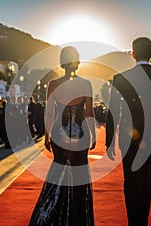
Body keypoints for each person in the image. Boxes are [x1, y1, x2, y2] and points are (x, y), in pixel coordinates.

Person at [105, 37, 151, 226]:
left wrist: (109, 140)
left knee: (130, 182)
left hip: (129, 137)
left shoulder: (121, 78)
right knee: (147, 182)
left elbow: (113, 111)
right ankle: (142, 221)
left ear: (133, 54)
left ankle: (133, 222)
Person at [29, 46, 96, 225]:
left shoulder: (53, 84)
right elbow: (89, 113)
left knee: (58, 171)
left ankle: (52, 214)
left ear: (62, 62)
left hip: (59, 132)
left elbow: (49, 113)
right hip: (80, 134)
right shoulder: (86, 84)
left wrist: (47, 135)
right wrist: (94, 135)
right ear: (77, 62)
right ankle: (77, 218)